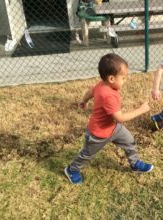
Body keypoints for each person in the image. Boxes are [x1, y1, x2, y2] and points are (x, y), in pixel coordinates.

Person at [64, 53, 153, 184]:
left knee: (129, 141)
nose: (125, 80)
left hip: (113, 128)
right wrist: (140, 110)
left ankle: (135, 164)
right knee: (87, 155)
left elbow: (90, 91)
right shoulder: (108, 95)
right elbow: (120, 118)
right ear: (111, 78)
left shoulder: (101, 84)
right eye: (123, 78)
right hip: (98, 134)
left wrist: (84, 100)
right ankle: (72, 170)